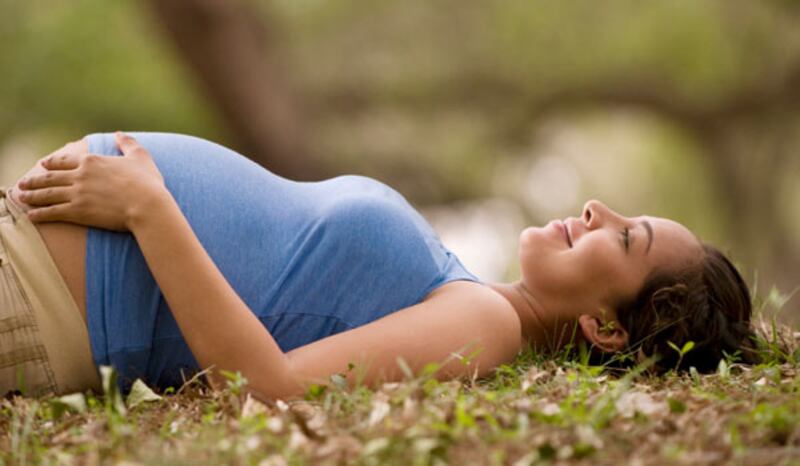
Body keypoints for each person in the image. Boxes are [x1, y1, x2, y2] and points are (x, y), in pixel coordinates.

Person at [0, 132, 757, 399]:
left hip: (34, 301)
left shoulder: (487, 326)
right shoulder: (464, 291)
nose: (600, 210)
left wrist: (148, 208)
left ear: (606, 329)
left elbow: (269, 388)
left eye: (626, 240)